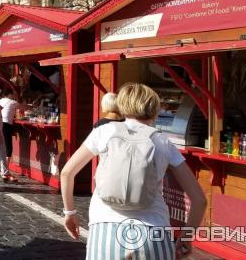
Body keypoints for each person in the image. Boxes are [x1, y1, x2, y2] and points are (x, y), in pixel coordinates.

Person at [60, 83, 207, 260]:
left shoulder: (103, 132)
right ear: (154, 110)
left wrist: (70, 213)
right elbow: (199, 200)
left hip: (105, 228)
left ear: (122, 106)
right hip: (153, 231)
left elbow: (67, 173)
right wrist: (186, 238)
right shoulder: (163, 142)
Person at [0, 89, 19, 183]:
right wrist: (34, 105)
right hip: (6, 126)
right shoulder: (12, 102)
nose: (13, 95)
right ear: (9, 94)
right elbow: (24, 107)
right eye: (13, 94)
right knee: (8, 149)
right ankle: (5, 170)